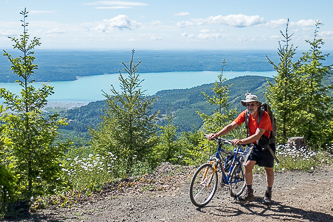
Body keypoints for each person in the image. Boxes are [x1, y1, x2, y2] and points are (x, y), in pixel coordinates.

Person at [206, 93, 275, 205]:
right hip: (253, 145)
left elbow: (258, 135)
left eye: (252, 104)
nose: (249, 107)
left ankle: (268, 193)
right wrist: (217, 134)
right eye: (247, 105)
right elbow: (231, 125)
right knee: (247, 166)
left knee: (269, 170)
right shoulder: (245, 114)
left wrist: (241, 141)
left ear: (257, 105)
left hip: (266, 145)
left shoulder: (264, 116)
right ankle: (249, 194)